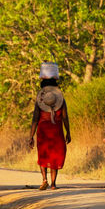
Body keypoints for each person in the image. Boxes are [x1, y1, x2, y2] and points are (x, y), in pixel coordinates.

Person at [30, 62, 70, 190]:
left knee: (43, 154)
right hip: (56, 130)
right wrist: (68, 132)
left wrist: (31, 136)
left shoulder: (40, 100)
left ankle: (44, 179)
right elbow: (65, 117)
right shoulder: (60, 99)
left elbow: (35, 119)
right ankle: (53, 184)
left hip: (43, 130)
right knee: (55, 155)